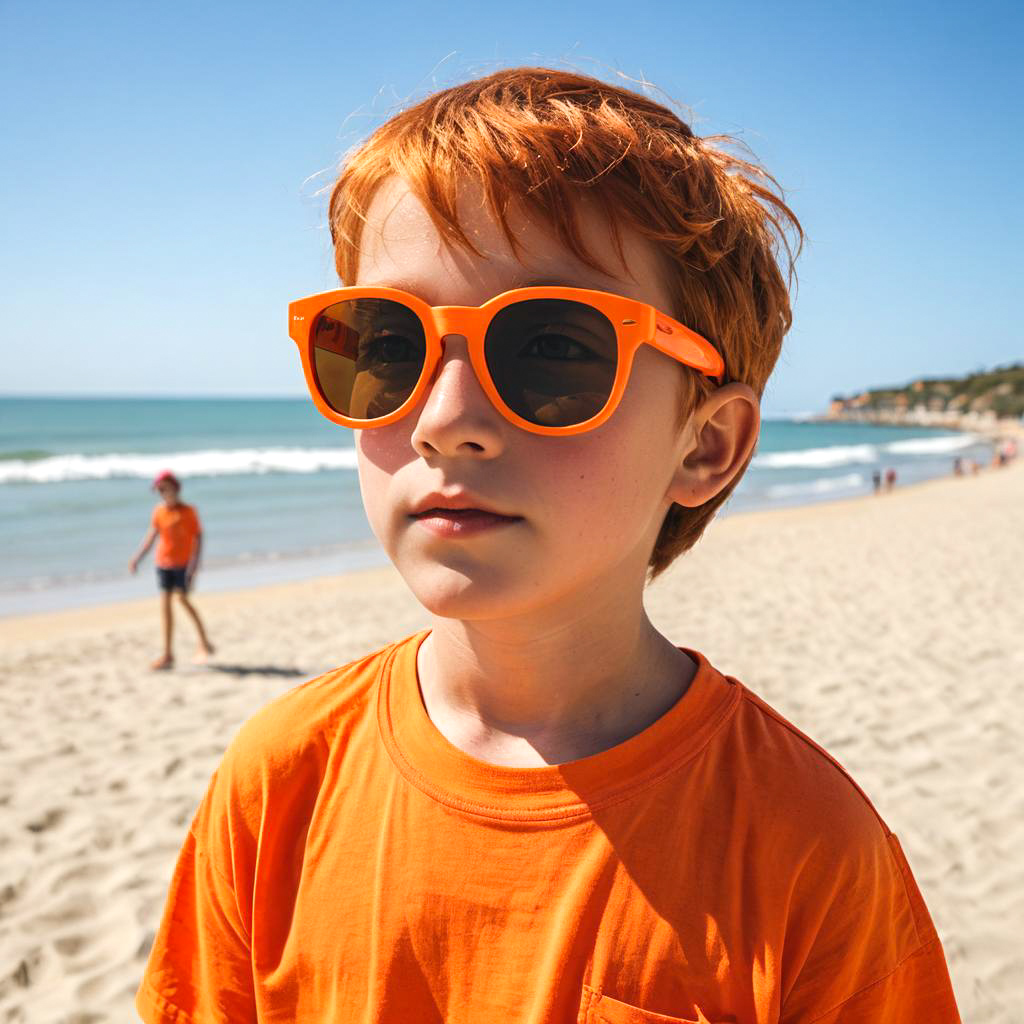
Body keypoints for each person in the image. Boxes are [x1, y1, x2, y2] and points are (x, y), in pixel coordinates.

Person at [136, 69, 960, 1021]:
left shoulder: (804, 853)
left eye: (553, 346)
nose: (445, 421)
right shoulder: (280, 782)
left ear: (706, 446)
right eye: (386, 345)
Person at [130, 469, 214, 670]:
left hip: (183, 565)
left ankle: (204, 641)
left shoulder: (188, 511)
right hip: (163, 564)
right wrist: (137, 558)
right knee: (166, 607)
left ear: (175, 487)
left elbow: (198, 537)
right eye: (159, 490)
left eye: (164, 488)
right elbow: (151, 537)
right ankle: (168, 654)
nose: (161, 493)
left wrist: (194, 566)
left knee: (183, 600)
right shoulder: (159, 511)